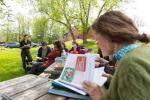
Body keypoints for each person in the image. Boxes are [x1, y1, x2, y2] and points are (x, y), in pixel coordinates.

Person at [82, 11, 150, 100]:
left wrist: (99, 97)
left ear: (108, 37)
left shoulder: (130, 64)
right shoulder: (142, 51)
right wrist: (113, 80)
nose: (97, 43)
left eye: (97, 38)